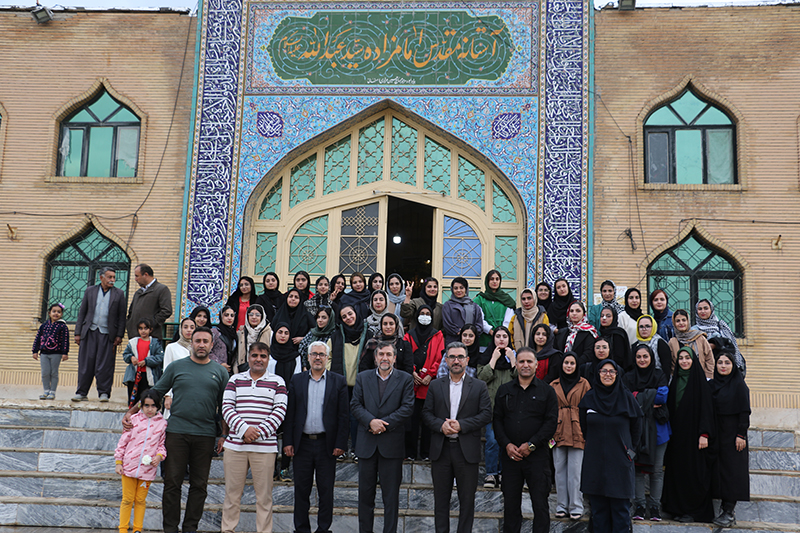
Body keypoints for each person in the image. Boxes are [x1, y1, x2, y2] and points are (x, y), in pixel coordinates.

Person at [122, 326, 229, 533]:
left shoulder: (219, 371)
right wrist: (131, 412)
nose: (201, 345)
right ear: (191, 343)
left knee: (199, 486)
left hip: (205, 435)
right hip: (177, 433)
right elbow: (156, 392)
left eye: (205, 341)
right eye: (197, 341)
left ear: (211, 345)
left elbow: (224, 405)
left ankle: (190, 528)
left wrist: (223, 435)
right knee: (172, 483)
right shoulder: (177, 367)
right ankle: (170, 528)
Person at [422, 342, 492, 533]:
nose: (456, 360)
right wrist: (440, 425)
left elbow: (486, 414)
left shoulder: (479, 386)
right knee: (441, 501)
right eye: (452, 357)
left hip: (466, 451)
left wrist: (462, 425)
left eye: (460, 357)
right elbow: (426, 414)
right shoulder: (436, 385)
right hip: (441, 449)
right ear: (446, 360)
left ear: (467, 360)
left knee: (467, 501)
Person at [221, 341, 287, 533]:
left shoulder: (278, 381)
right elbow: (226, 407)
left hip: (264, 448)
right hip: (235, 447)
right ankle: (227, 530)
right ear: (248, 357)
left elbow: (280, 411)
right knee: (232, 495)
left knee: (264, 497)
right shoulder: (234, 379)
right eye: (255, 355)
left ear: (268, 359)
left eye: (263, 356)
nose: (259, 359)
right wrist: (243, 430)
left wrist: (256, 433)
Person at [283, 341, 349, 533]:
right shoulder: (297, 380)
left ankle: (323, 529)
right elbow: (290, 414)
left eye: (322, 354)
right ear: (308, 357)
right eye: (314, 354)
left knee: (326, 491)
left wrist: (340, 443)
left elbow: (343, 416)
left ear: (328, 358)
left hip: (326, 445)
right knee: (301, 490)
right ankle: (301, 529)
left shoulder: (339, 381)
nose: (318, 357)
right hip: (302, 444)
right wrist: (287, 442)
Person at [350, 341, 414, 533]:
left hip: (391, 445)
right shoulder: (362, 377)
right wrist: (371, 422)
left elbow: (407, 407)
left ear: (395, 358)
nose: (384, 358)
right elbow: (355, 405)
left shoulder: (405, 379)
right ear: (375, 357)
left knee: (391, 497)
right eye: (381, 354)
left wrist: (383, 424)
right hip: (366, 444)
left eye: (388, 354)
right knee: (365, 497)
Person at [493, 347, 558, 533]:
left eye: (529, 361)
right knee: (511, 506)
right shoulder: (504, 390)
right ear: (516, 364)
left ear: (536, 365)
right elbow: (497, 420)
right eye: (521, 361)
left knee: (540, 505)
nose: (525, 365)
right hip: (510, 457)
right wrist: (506, 444)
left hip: (537, 458)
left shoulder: (547, 391)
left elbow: (551, 423)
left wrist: (531, 445)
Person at [579, 359, 643, 533]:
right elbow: (584, 426)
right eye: (603, 371)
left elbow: (637, 427)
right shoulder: (589, 398)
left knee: (620, 513)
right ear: (598, 373)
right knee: (599, 513)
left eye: (611, 371)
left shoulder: (626, 397)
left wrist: (630, 452)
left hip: (620, 463)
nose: (607, 374)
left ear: (617, 374)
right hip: (595, 462)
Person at [662, 346, 715, 523]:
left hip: (695, 437)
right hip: (677, 437)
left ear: (694, 361)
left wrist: (704, 434)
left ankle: (693, 511)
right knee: (677, 472)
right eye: (681, 358)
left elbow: (707, 410)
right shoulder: (675, 381)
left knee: (693, 473)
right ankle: (675, 508)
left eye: (688, 358)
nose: (684, 361)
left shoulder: (700, 383)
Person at [623, 344, 670, 522]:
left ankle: (655, 507)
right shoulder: (628, 377)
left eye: (645, 356)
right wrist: (649, 396)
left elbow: (662, 397)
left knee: (657, 471)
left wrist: (639, 396)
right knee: (637, 470)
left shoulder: (659, 375)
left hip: (659, 431)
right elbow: (627, 398)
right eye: (638, 357)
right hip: (635, 431)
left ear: (651, 357)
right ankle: (640, 506)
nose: (642, 360)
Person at [114, 389, 167, 533]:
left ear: (158, 406)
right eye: (147, 406)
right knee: (127, 499)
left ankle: (138, 529)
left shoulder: (162, 424)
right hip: (128, 467)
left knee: (140, 500)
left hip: (147, 470)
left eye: (153, 406)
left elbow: (162, 446)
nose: (150, 409)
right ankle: (123, 529)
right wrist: (119, 462)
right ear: (141, 406)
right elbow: (122, 443)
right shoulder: (134, 420)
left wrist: (159, 457)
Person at [73, 266, 126, 402]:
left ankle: (104, 393)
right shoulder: (90, 291)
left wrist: (119, 335)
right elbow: (82, 312)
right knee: (86, 363)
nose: (112, 280)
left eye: (114, 277)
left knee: (105, 365)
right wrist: (77, 333)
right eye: (109, 277)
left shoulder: (119, 293)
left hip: (108, 334)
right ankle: (82, 392)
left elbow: (121, 316)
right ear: (101, 277)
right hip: (89, 332)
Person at [710, 352, 750, 528]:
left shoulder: (739, 385)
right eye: (720, 362)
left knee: (733, 471)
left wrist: (741, 434)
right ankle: (722, 510)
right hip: (717, 432)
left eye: (727, 362)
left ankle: (729, 511)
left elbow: (744, 410)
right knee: (719, 469)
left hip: (734, 434)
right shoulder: (712, 385)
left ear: (733, 365)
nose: (723, 366)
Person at [550, 352, 590, 520]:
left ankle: (576, 506)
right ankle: (561, 505)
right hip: (557, 431)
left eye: (572, 363)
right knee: (559, 470)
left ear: (576, 365)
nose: (568, 366)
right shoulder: (553, 384)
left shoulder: (584, 383)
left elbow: (589, 407)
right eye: (566, 363)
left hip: (577, 430)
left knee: (575, 471)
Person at [477, 326, 517, 488]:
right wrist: (493, 360)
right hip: (492, 409)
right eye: (498, 336)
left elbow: (520, 377)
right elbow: (481, 378)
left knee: (506, 442)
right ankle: (491, 474)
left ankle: (502, 473)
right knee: (492, 441)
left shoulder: (514, 357)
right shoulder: (486, 356)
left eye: (504, 336)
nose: (501, 339)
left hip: (511, 411)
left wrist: (513, 360)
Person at [329, 304, 370, 457]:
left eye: (350, 314)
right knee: (341, 417)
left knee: (356, 418)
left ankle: (356, 449)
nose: (348, 318)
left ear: (356, 313)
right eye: (344, 316)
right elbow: (328, 355)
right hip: (341, 384)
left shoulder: (368, 334)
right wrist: (332, 373)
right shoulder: (336, 335)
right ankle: (341, 448)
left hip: (361, 385)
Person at [405, 305, 444, 460]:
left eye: (428, 314)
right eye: (422, 313)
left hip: (429, 384)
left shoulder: (438, 335)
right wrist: (413, 371)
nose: (425, 316)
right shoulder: (409, 335)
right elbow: (406, 355)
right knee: (412, 421)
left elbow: (440, 357)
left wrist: (430, 374)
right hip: (413, 383)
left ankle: (427, 454)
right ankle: (411, 453)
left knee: (428, 422)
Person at [270, 323, 301, 481]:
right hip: (270, 401)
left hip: (289, 399)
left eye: (286, 333)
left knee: (288, 433)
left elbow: (296, 379)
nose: (282, 335)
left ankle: (284, 469)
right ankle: (272, 468)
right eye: (280, 332)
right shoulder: (269, 354)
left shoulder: (296, 356)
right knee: (271, 434)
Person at [121, 318, 164, 407]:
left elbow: (159, 357)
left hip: (148, 377)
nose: (143, 331)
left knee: (146, 400)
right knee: (133, 400)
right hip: (134, 375)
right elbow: (125, 355)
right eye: (141, 328)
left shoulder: (155, 343)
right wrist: (131, 357)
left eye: (145, 328)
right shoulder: (132, 342)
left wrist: (146, 361)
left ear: (150, 329)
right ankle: (133, 418)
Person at [695, 299, 746, 374]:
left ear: (711, 310)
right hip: (703, 370)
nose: (703, 311)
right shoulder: (694, 330)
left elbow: (732, 346)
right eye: (700, 309)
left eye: (706, 308)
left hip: (722, 369)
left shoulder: (721, 326)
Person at [32, 303, 70, 400]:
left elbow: (65, 340)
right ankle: (46, 391)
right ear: (49, 313)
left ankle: (52, 392)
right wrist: (35, 351)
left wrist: (65, 353)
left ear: (61, 314)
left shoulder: (63, 327)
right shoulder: (44, 326)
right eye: (54, 311)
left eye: (59, 312)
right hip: (44, 353)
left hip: (56, 353)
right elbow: (38, 338)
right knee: (45, 372)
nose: (56, 313)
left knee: (54, 373)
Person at [126, 263, 173, 340]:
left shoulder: (161, 289)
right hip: (134, 338)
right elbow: (131, 312)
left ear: (145, 275)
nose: (135, 279)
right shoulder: (138, 292)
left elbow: (166, 311)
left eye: (137, 276)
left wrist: (151, 324)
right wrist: (129, 325)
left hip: (151, 338)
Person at [441, 277, 490, 346]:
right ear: (452, 290)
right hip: (453, 342)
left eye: (461, 288)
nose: (458, 290)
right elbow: (447, 324)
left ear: (466, 289)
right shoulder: (447, 305)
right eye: (455, 288)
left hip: (471, 343)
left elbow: (479, 325)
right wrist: (460, 332)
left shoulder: (474, 306)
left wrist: (470, 334)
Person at [473, 269, 516, 346]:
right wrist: (490, 331)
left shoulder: (506, 299)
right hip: (484, 340)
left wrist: (500, 333)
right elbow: (479, 318)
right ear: (487, 281)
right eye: (492, 279)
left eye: (497, 279)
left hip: (502, 339)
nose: (494, 281)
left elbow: (509, 318)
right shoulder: (480, 299)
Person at [668, 309, 714, 378]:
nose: (681, 323)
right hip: (681, 380)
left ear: (688, 321)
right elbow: (672, 364)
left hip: (700, 378)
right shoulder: (672, 342)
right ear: (674, 324)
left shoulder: (700, 338)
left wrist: (708, 377)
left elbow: (709, 358)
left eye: (684, 320)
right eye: (678, 321)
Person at [236, 304, 271, 374]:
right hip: (243, 369)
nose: (254, 317)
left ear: (262, 317)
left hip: (263, 369)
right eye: (251, 314)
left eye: (257, 315)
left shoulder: (269, 332)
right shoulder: (241, 332)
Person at [598, 307, 633, 371]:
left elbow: (619, 358)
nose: (604, 318)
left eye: (608, 316)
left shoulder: (618, 334)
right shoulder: (601, 333)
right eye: (602, 316)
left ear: (614, 318)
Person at [211, 305, 238, 374]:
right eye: (226, 315)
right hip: (215, 370)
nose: (229, 318)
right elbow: (207, 350)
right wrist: (219, 364)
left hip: (229, 372)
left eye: (232, 316)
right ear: (221, 316)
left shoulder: (234, 334)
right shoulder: (215, 332)